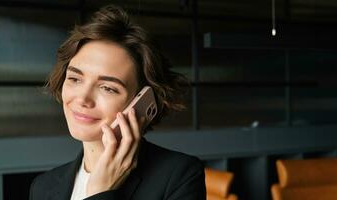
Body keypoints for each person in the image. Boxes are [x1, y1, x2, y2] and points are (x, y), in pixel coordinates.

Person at [29, 5, 206, 200]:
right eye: (75, 79)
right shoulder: (43, 187)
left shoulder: (179, 176)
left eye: (107, 88)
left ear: (143, 102)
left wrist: (101, 193)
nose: (82, 99)